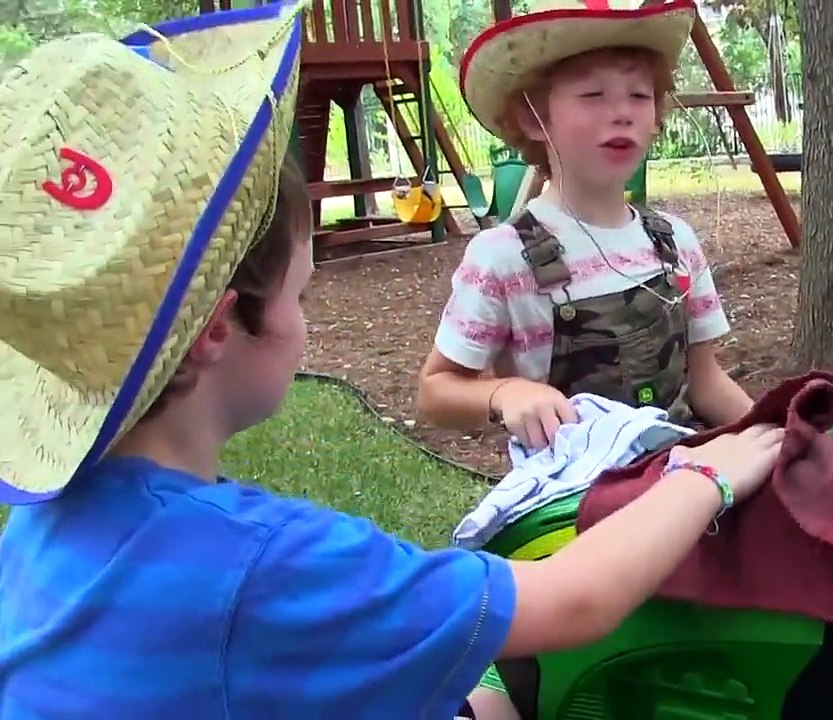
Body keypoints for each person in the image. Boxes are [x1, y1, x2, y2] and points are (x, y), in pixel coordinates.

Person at [0, 4, 782, 719]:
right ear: (220, 329)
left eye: (637, 95)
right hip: (579, 525)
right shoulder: (272, 562)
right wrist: (705, 476)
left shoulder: (36, 533)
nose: (620, 111)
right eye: (305, 298)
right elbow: (570, 600)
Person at [416, 0, 756, 453]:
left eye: (639, 95)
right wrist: (504, 392)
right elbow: (435, 391)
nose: (622, 113)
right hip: (575, 502)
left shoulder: (675, 242)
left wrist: (777, 437)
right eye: (593, 96)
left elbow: (706, 382)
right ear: (531, 118)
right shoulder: (501, 257)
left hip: (687, 482)